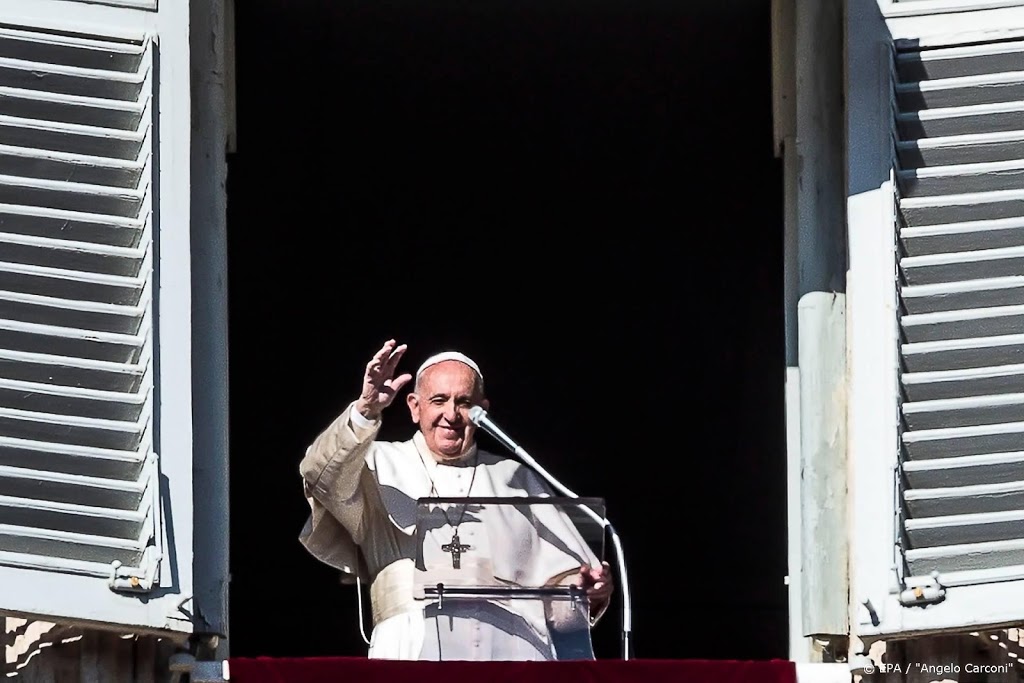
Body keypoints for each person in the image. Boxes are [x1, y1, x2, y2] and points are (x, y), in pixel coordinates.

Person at [299, 339, 614, 660]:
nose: (451, 414)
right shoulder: (375, 463)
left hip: (514, 651)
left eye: (464, 402)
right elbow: (318, 476)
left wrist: (585, 590)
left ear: (483, 411)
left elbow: (559, 611)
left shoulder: (517, 479)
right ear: (414, 405)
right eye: (438, 400)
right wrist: (366, 410)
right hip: (410, 644)